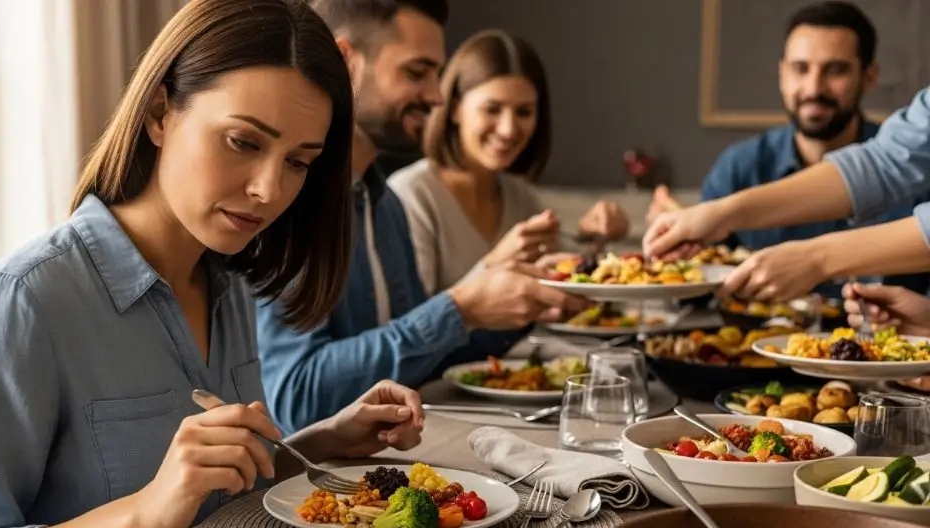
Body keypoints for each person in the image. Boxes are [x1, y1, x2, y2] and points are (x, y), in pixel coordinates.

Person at [0, 2, 426, 528]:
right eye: (244, 142)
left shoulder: (231, 284)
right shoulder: (24, 303)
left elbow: (212, 488)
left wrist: (323, 440)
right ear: (159, 112)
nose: (269, 190)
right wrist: (146, 511)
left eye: (298, 161)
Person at [255, 0, 588, 435]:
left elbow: (421, 359)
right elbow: (297, 399)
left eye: (437, 73)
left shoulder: (385, 203)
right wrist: (460, 306)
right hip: (312, 488)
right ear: (345, 63)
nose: (435, 96)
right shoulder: (288, 203)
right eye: (417, 73)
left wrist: (519, 298)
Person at [645, 1, 929, 298]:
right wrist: (719, 214)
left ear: (869, 75)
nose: (813, 88)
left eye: (836, 70)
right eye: (800, 68)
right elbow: (884, 166)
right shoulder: (740, 165)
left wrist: (816, 259)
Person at [387, 29, 629, 296]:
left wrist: (594, 237)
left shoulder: (519, 196)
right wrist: (494, 265)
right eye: (492, 109)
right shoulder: (411, 195)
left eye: (523, 112)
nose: (508, 129)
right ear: (454, 108)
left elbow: (568, 279)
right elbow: (409, 323)